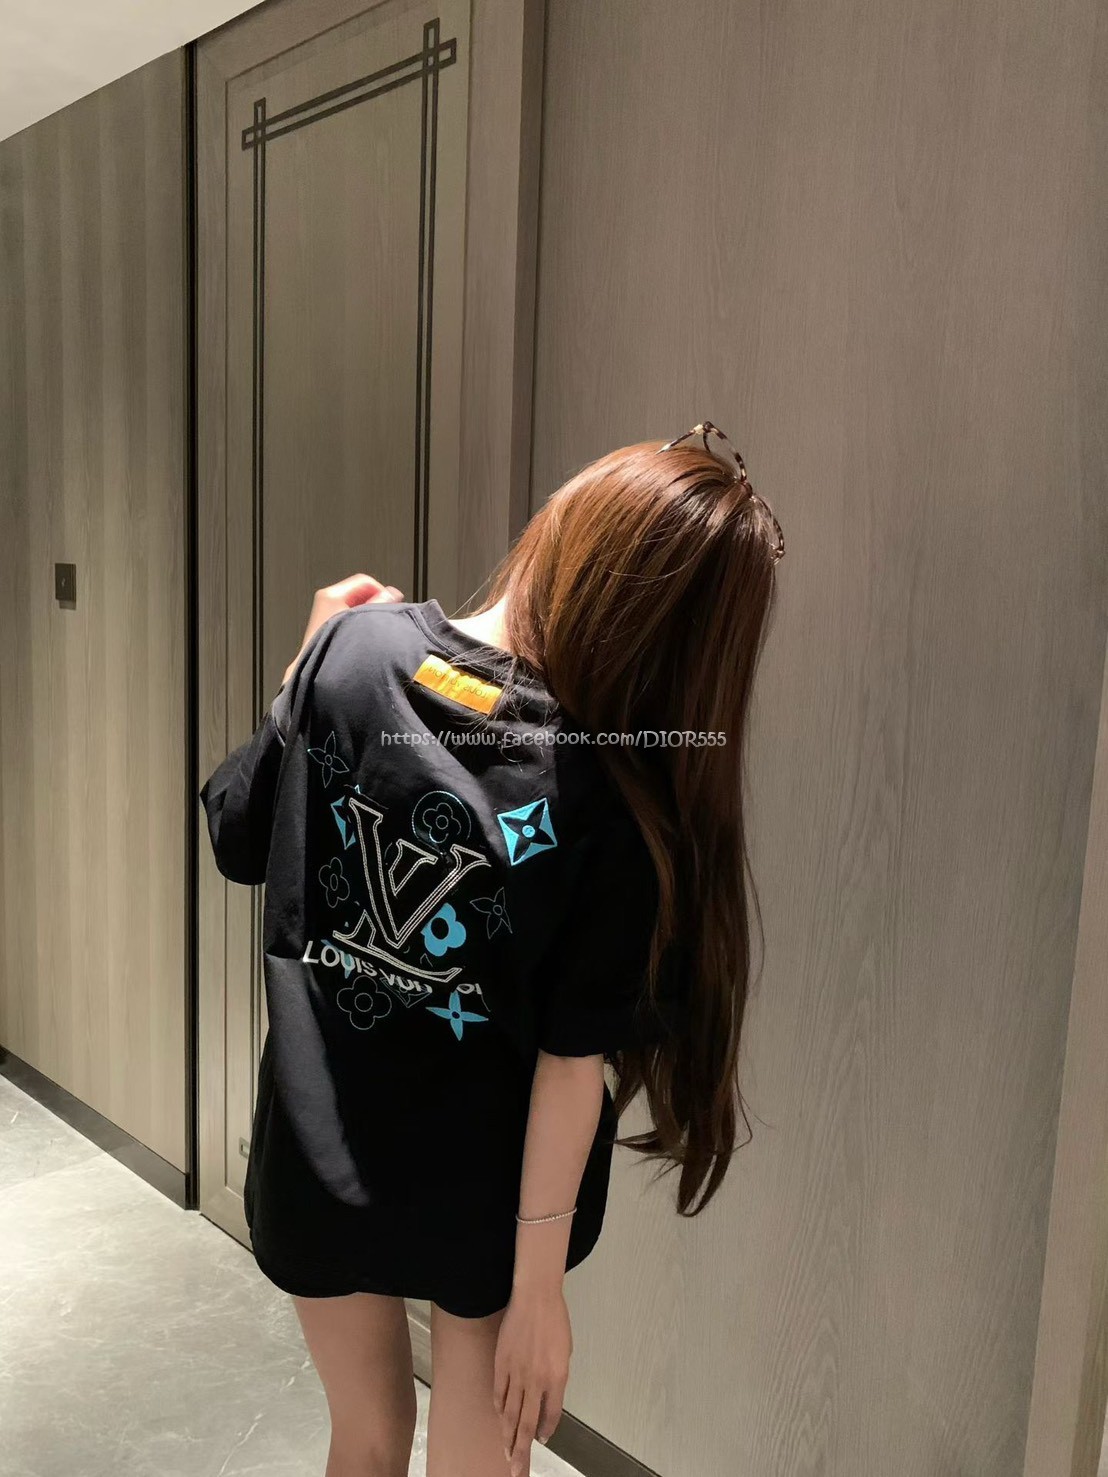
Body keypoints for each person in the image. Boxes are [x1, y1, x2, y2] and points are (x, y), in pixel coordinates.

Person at [199, 422, 785, 1477]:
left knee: (363, 1438)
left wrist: (302, 671)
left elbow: (236, 835)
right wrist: (540, 1289)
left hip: (314, 1163)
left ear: (566, 526)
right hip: (485, 1204)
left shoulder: (351, 651)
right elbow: (570, 1062)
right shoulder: (614, 790)